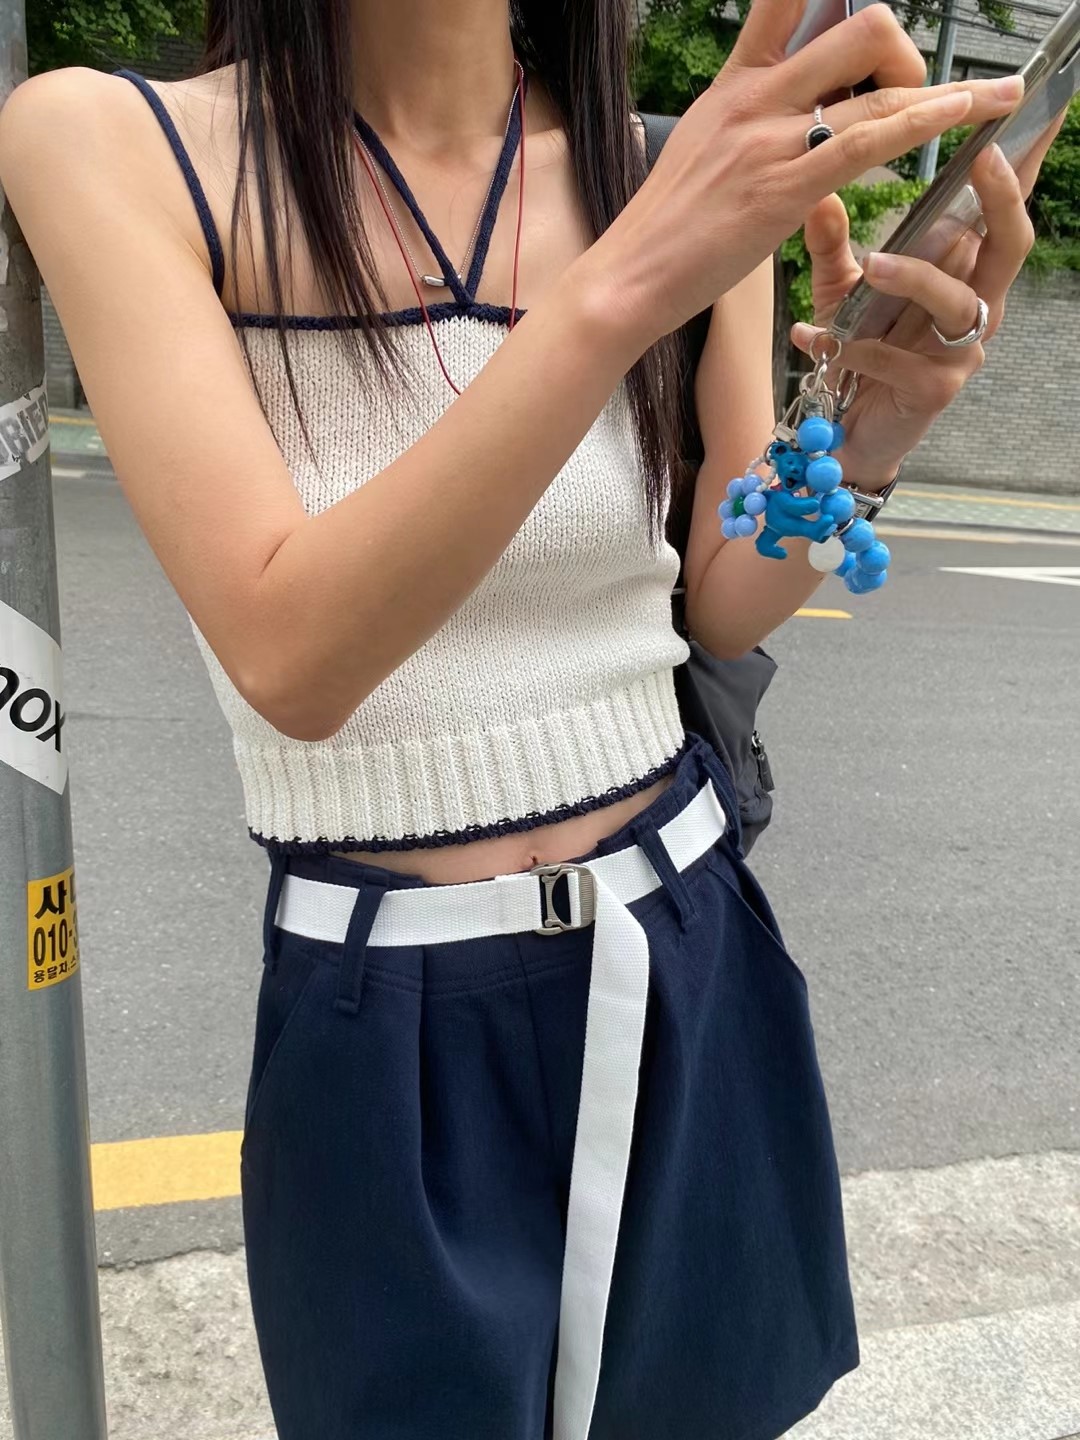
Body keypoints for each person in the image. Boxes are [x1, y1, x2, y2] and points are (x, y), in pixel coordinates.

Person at [0, 2, 1056, 1436]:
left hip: (686, 948)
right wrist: (628, 280)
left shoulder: (671, 165)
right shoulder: (111, 141)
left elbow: (721, 600)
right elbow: (292, 654)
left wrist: (873, 426)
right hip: (389, 1010)